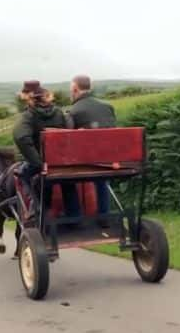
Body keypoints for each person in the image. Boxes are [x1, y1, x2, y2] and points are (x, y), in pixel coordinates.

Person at [13, 81, 81, 223]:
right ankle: (75, 220)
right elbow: (69, 131)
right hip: (61, 161)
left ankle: (35, 210)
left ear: (30, 99)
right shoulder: (58, 112)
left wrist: (39, 163)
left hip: (43, 162)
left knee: (21, 174)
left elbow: (21, 138)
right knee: (68, 182)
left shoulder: (29, 116)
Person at [68, 75, 116, 226]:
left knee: (67, 181)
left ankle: (75, 219)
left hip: (84, 160)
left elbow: (68, 139)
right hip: (108, 159)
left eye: (71, 89)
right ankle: (104, 217)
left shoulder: (73, 111)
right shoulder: (107, 106)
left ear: (75, 89)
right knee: (102, 180)